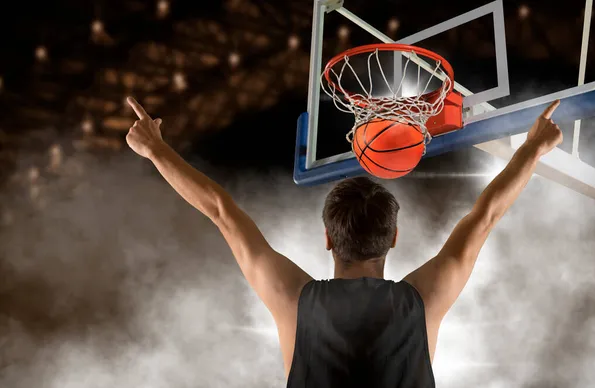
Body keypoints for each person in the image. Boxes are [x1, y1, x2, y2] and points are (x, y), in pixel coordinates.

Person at [125, 97, 563, 388]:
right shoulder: (420, 301)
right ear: (393, 238)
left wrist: (154, 150)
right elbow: (484, 217)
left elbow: (220, 210)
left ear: (328, 239)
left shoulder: (294, 299)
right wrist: (534, 147)